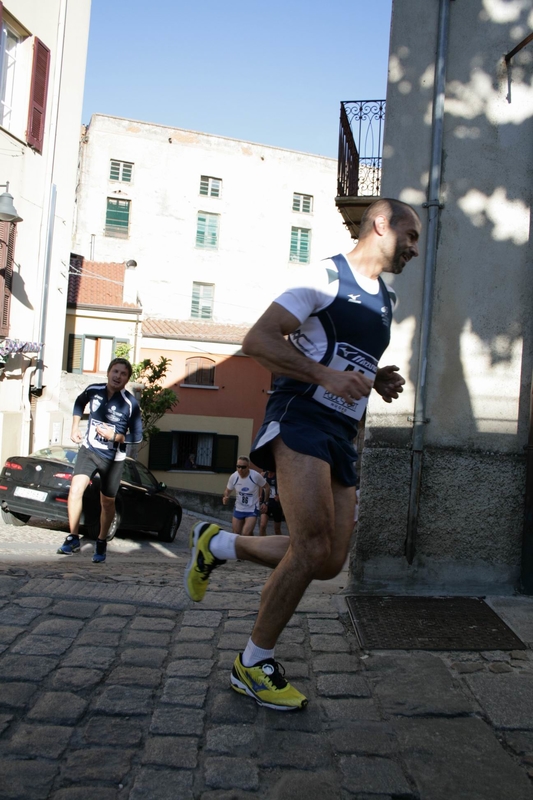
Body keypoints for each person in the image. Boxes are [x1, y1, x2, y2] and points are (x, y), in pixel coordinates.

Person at [184, 198, 421, 711]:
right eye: (412, 236)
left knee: (330, 560)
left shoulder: (387, 302)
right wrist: (324, 376)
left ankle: (218, 547)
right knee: (310, 546)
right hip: (299, 419)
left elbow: (338, 354)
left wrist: (373, 378)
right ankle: (252, 663)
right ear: (380, 225)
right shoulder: (324, 277)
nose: (416, 249)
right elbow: (258, 340)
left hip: (339, 433)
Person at [57, 358, 143, 563]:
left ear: (127, 378)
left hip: (113, 459)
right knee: (76, 489)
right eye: (115, 371)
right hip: (88, 449)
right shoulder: (93, 390)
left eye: (123, 374)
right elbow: (79, 402)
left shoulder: (130, 403)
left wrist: (115, 437)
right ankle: (73, 537)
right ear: (108, 372)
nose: (118, 376)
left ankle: (101, 540)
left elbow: (137, 436)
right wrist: (75, 427)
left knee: (107, 502)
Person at [222, 456, 269, 536]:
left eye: (243, 467)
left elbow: (267, 487)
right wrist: (226, 497)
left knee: (245, 533)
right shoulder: (234, 477)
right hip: (239, 508)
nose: (240, 469)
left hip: (252, 509)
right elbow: (227, 490)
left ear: (248, 467)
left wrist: (265, 502)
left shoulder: (255, 476)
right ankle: (251, 544)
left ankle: (249, 544)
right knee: (235, 534)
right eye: (238, 467)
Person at [259, 471, 284, 536]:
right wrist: (260, 495)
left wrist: (280, 496)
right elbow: (261, 486)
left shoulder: (279, 474)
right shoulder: (263, 474)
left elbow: (285, 487)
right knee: (262, 525)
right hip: (266, 503)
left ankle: (281, 545)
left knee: (277, 529)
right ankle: (263, 543)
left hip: (276, 504)